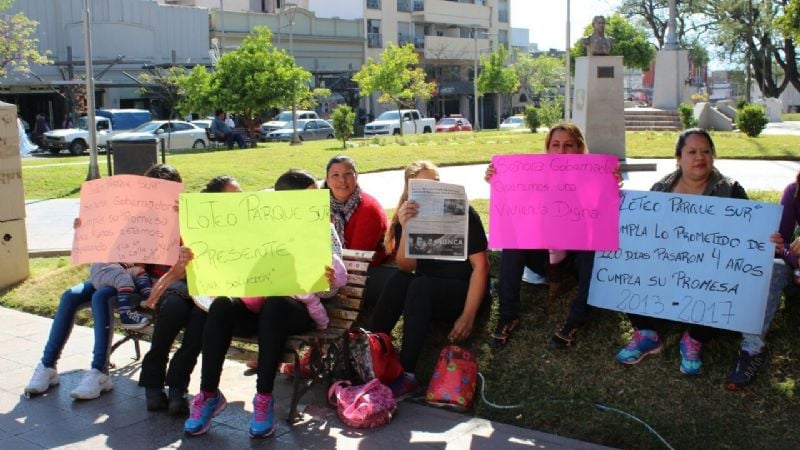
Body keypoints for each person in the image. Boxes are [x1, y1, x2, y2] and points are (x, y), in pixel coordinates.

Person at [183, 169, 348, 438]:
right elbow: (223, 260)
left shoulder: (324, 228)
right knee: (222, 305)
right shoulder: (257, 224)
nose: (313, 204)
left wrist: (327, 280)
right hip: (252, 307)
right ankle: (209, 394)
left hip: (295, 309)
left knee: (275, 302)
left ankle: (264, 398)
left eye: (316, 197)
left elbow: (331, 289)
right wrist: (194, 253)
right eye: (305, 198)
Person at [615, 128, 785, 379]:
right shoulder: (661, 189)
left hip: (710, 271)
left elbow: (753, 232)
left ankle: (694, 338)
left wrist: (768, 240)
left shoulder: (731, 190)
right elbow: (643, 231)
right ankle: (646, 332)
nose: (700, 157)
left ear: (713, 156)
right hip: (668, 267)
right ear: (678, 157)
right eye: (692, 151)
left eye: (706, 151)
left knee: (727, 280)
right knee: (625, 258)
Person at [23, 164, 182, 401]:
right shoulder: (138, 215)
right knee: (70, 295)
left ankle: (99, 371)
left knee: (102, 296)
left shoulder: (183, 218)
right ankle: (47, 365)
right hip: (118, 270)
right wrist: (85, 228)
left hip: (143, 281)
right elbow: (112, 240)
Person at [487, 123, 620, 349]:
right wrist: (500, 181)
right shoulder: (531, 178)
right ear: (547, 149)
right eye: (555, 145)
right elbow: (514, 212)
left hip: (576, 261)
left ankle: (576, 318)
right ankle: (507, 315)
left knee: (593, 247)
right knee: (513, 240)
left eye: (568, 145)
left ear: (579, 148)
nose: (561, 151)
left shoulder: (594, 177)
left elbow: (603, 222)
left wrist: (611, 187)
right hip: (542, 259)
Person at [369, 160, 489, 399]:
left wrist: (468, 316)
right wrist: (406, 227)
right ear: (410, 190)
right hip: (428, 293)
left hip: (463, 290)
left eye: (436, 182)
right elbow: (406, 266)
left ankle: (408, 374)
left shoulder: (463, 212)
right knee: (399, 280)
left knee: (419, 284)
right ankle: (370, 351)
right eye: (425, 185)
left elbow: (481, 267)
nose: (433, 188)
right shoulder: (410, 213)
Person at [139, 172, 240, 415]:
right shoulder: (194, 216)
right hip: (181, 284)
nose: (240, 200)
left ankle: (177, 388)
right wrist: (183, 255)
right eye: (233, 195)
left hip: (211, 291)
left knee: (198, 330)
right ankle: (153, 385)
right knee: (171, 314)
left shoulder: (243, 223)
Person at [323, 155, 394, 307]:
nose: (342, 180)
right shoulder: (321, 205)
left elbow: (357, 258)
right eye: (335, 175)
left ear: (357, 176)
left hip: (371, 270)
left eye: (348, 174)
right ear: (327, 180)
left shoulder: (368, 209)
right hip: (337, 268)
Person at [88, 263, 152, 329]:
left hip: (117, 269)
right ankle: (125, 315)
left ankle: (147, 296)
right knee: (124, 280)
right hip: (105, 270)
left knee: (138, 271)